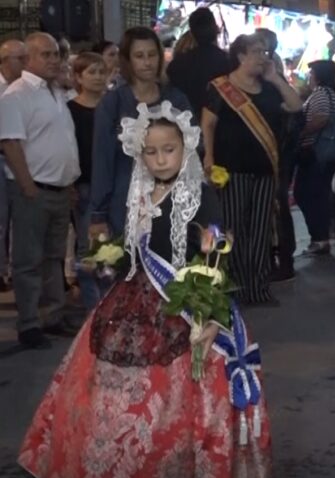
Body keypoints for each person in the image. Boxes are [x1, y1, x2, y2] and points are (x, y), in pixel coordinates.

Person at [18, 101, 273, 478]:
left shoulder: (200, 195)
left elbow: (213, 252)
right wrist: (108, 259)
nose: (160, 159)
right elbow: (134, 250)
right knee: (113, 398)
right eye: (150, 152)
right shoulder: (137, 194)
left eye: (168, 150)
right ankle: (117, 477)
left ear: (185, 148)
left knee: (174, 403)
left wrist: (211, 314)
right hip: (132, 301)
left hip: (186, 303)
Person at [202, 34, 302, 305]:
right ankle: (236, 286)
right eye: (257, 51)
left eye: (265, 52)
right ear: (241, 55)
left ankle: (258, 287)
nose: (263, 57)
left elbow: (296, 106)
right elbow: (208, 124)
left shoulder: (269, 88)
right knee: (234, 228)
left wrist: (275, 78)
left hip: (265, 168)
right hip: (231, 170)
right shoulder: (221, 87)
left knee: (260, 230)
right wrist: (209, 157)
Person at [0, 33, 80, 349]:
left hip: (58, 188)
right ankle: (30, 323)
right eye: (45, 54)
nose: (53, 60)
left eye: (56, 54)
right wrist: (27, 186)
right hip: (34, 189)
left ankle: (53, 316)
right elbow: (10, 144)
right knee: (28, 260)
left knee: (54, 257)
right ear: (28, 58)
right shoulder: (16, 95)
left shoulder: (55, 91)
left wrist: (68, 183)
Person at [90, 27, 192, 242]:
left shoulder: (176, 100)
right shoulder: (113, 103)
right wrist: (98, 213)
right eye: (139, 56)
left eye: (152, 55)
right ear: (127, 60)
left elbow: (192, 152)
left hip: (172, 201)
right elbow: (102, 160)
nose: (147, 62)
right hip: (124, 203)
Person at [68, 52, 108, 311]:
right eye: (91, 72)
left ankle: (109, 302)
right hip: (84, 184)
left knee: (110, 245)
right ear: (79, 77)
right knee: (86, 245)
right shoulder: (71, 110)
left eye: (101, 72)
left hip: (110, 184)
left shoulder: (112, 106)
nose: (97, 77)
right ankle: (92, 307)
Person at [296, 59, 335, 255]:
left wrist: (301, 133)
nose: (309, 77)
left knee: (308, 194)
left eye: (311, 73)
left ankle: (319, 239)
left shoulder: (322, 93)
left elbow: (321, 118)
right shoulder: (329, 93)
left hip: (318, 152)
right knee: (319, 194)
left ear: (318, 76)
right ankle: (321, 238)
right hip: (325, 153)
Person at [166, 7, 231, 117]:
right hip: (219, 123)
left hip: (185, 122)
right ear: (215, 29)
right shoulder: (229, 62)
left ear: (191, 32)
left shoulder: (176, 65)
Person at [0, 39, 27, 292]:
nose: (25, 63)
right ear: (5, 61)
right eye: (20, 58)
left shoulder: (26, 89)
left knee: (13, 220)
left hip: (19, 159)